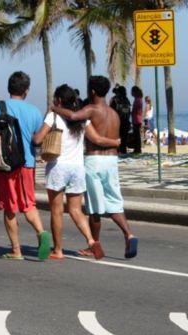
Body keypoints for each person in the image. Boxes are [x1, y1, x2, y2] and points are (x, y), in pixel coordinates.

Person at [52, 75, 138, 259]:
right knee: (115, 203)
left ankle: (93, 245)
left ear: (92, 91)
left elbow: (74, 116)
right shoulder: (114, 113)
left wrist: (55, 108)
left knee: (94, 208)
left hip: (94, 160)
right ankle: (129, 234)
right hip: (112, 161)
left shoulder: (91, 109)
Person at [33, 84, 120, 260]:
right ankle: (91, 241)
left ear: (58, 100)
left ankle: (58, 250)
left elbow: (38, 139)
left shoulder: (53, 116)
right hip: (77, 168)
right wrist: (115, 142)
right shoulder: (82, 119)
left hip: (58, 167)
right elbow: (96, 139)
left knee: (56, 211)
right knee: (76, 210)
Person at [0, 71, 50, 260]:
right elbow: (38, 139)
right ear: (26, 91)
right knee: (28, 204)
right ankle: (41, 232)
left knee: (9, 208)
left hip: (6, 165)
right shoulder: (34, 111)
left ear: (9, 88)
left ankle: (16, 250)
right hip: (27, 164)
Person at [110, 85, 131, 154]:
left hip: (117, 122)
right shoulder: (127, 100)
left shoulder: (115, 99)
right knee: (124, 139)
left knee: (116, 138)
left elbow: (111, 110)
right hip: (126, 121)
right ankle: (123, 151)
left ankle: (117, 151)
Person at [131, 86, 143, 154]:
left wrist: (132, 112)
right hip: (136, 118)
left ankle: (137, 149)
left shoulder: (138, 99)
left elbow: (136, 109)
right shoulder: (138, 98)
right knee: (136, 135)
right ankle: (137, 148)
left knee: (136, 135)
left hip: (136, 119)